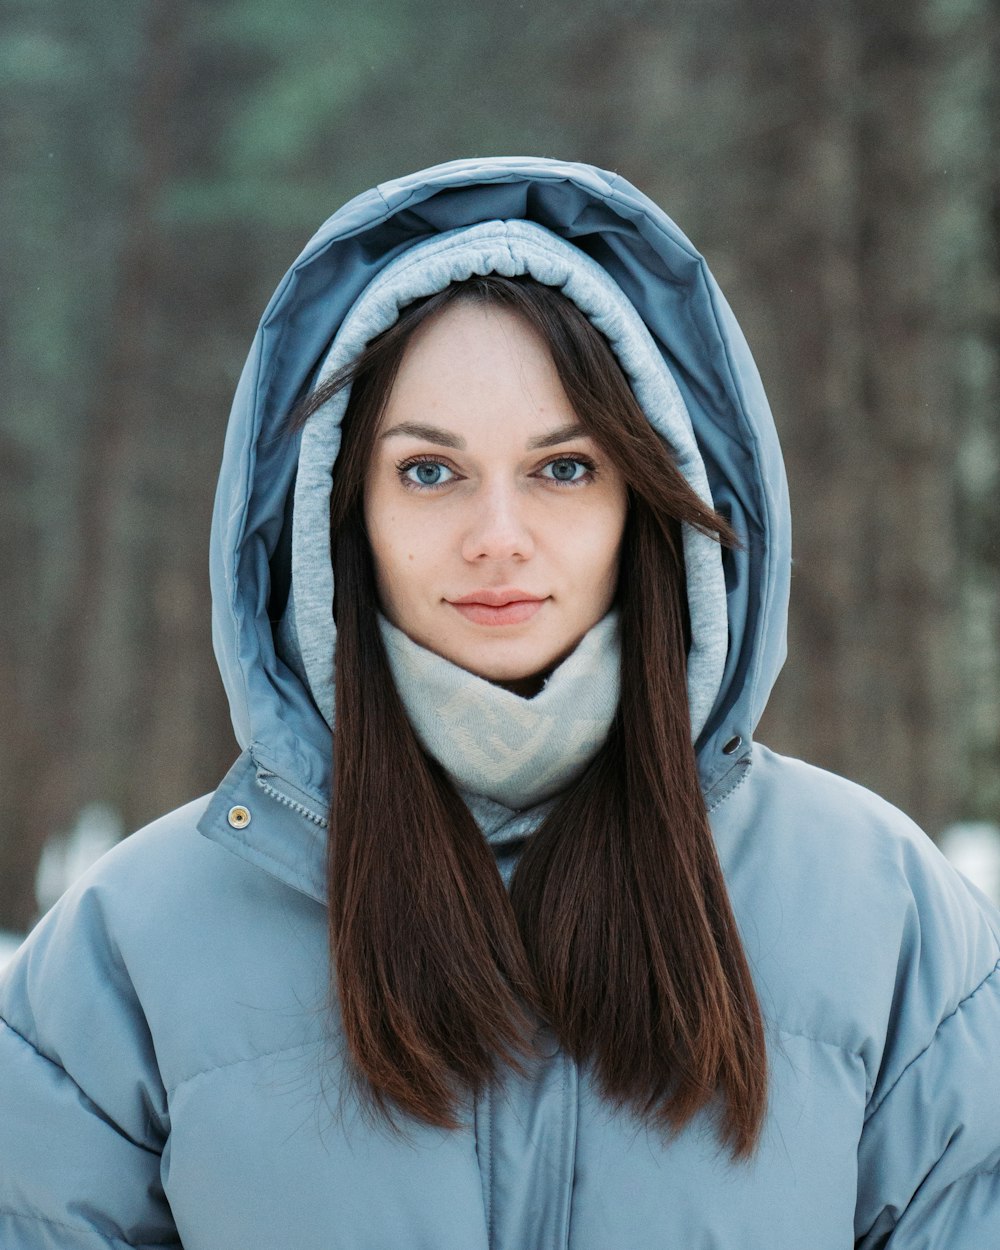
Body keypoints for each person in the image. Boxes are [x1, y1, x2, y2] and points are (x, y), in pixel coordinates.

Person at [1, 156, 998, 1248]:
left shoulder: (882, 915)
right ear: (343, 512)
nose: (497, 536)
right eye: (429, 471)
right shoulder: (134, 947)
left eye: (563, 468)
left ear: (648, 499)